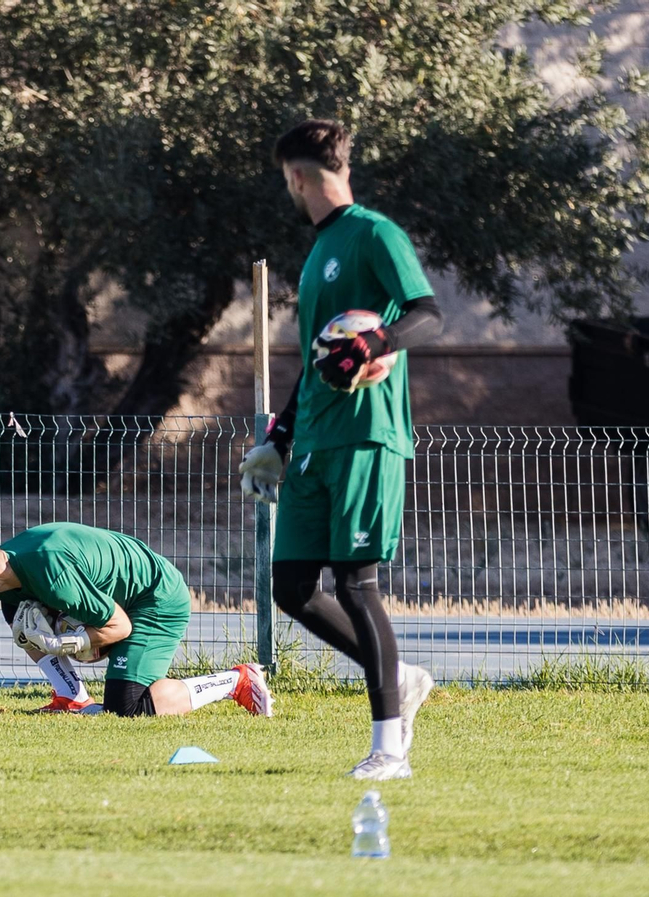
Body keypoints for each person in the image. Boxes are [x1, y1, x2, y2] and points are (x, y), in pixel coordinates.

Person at [238, 119, 444, 781]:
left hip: (366, 437)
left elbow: (427, 311)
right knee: (293, 588)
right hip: (314, 443)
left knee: (356, 585)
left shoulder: (375, 233)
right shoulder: (318, 250)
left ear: (296, 176)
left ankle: (390, 747)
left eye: (285, 182)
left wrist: (378, 344)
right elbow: (316, 362)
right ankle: (402, 676)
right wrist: (279, 433)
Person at [0, 521, 273, 718]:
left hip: (156, 598)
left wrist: (69, 641)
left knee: (128, 706)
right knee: (24, 620)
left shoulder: (51, 572)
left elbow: (119, 627)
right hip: (123, 600)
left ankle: (236, 680)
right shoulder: (8, 578)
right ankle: (71, 696)